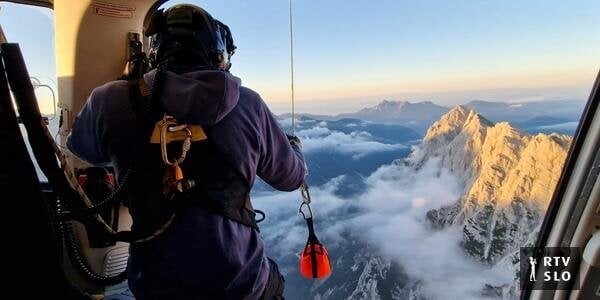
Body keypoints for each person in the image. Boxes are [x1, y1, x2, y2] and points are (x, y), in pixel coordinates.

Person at [67, 3, 306, 299]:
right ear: (220, 55)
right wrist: (294, 150)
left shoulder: (108, 100)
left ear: (154, 50)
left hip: (154, 286)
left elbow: (83, 149)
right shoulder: (249, 105)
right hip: (240, 284)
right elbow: (290, 178)